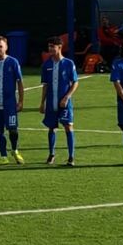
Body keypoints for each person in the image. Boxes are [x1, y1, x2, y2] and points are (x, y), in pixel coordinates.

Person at [0, 34, 25, 165]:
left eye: (0, 46)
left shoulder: (13, 62)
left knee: (13, 129)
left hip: (10, 103)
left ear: (6, 47)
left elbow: (20, 82)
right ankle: (3, 155)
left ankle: (15, 149)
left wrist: (21, 101)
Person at [40, 36, 78, 167]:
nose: (50, 49)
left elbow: (75, 82)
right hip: (51, 102)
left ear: (60, 47)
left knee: (68, 126)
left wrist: (67, 97)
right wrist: (42, 103)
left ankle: (71, 157)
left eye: (52, 46)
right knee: (52, 127)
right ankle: (51, 154)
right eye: (49, 46)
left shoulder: (68, 63)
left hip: (64, 103)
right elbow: (45, 85)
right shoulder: (46, 65)